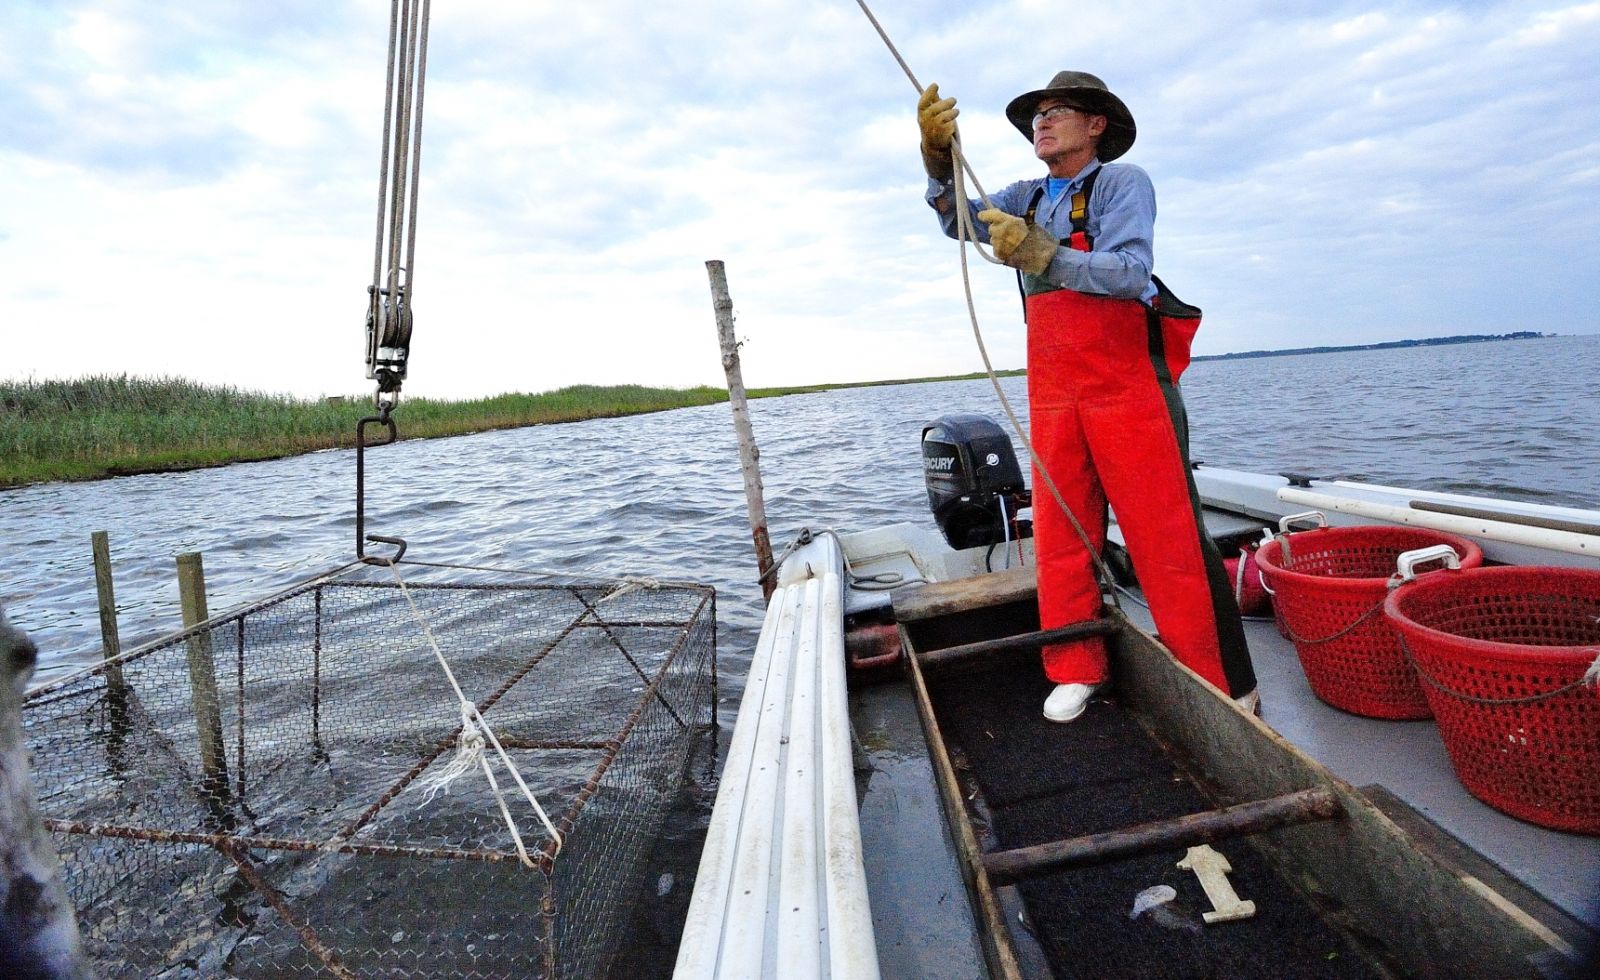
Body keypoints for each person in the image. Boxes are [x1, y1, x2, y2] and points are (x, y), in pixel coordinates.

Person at [917, 70, 1258, 722]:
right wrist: (936, 161)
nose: (1040, 124)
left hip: (1126, 391)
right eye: (1035, 116)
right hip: (1053, 394)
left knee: (1169, 540)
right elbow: (960, 223)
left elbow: (1130, 273)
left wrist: (1044, 252)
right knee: (1061, 534)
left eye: (1056, 112)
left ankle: (1224, 684)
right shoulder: (1025, 195)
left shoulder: (1123, 184)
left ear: (1095, 124)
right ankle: (1076, 667)